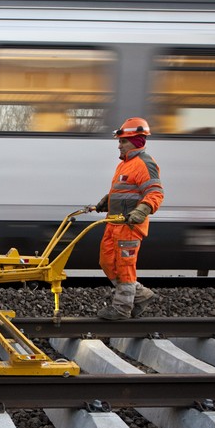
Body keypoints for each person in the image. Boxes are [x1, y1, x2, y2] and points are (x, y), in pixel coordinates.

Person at [93, 117, 164, 320]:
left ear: (136, 141)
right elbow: (125, 190)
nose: (119, 145)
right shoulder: (124, 165)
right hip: (113, 222)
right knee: (106, 261)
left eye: (123, 141)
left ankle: (122, 308)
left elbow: (155, 193)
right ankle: (141, 295)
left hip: (129, 226)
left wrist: (141, 212)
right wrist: (107, 200)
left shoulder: (144, 164)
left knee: (125, 266)